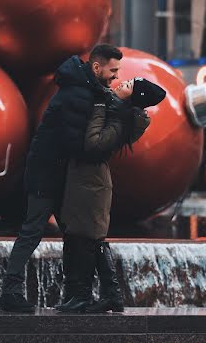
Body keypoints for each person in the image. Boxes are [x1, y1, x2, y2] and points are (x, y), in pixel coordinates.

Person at [0, 44, 124, 313]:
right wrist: (113, 132)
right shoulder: (78, 94)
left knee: (78, 236)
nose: (116, 77)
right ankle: (11, 292)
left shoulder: (87, 90)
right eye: (113, 71)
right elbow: (79, 144)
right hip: (47, 175)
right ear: (97, 67)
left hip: (63, 178)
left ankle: (81, 295)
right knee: (33, 232)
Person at [57, 77, 166, 313]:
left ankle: (90, 295)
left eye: (127, 86)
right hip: (85, 182)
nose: (121, 84)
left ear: (134, 98)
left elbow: (94, 143)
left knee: (89, 240)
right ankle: (105, 295)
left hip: (93, 185)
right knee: (86, 239)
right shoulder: (115, 110)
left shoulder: (119, 120)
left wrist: (98, 107)